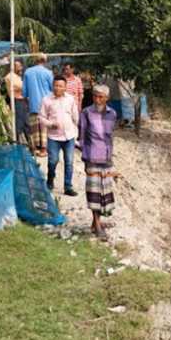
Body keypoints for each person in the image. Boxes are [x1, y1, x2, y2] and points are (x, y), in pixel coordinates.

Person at [79, 84, 119, 240]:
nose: (97, 99)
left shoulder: (112, 114)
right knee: (94, 192)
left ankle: (96, 222)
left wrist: (111, 157)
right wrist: (85, 159)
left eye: (101, 96)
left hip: (106, 158)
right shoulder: (86, 112)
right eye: (95, 96)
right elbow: (82, 137)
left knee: (104, 192)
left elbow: (110, 137)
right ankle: (97, 226)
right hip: (92, 157)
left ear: (107, 98)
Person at [39, 76, 79, 196]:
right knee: (52, 161)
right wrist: (50, 124)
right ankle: (50, 180)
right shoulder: (46, 100)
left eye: (60, 86)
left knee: (69, 162)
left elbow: (75, 116)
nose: (58, 88)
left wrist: (76, 132)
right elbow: (41, 117)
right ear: (53, 86)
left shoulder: (70, 99)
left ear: (65, 87)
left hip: (69, 137)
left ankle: (68, 187)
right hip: (54, 138)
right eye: (56, 85)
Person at [23, 53, 53, 157]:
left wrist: (28, 99)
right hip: (46, 104)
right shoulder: (48, 73)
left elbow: (24, 92)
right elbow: (53, 89)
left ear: (35, 60)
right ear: (45, 61)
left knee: (34, 127)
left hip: (33, 103)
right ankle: (44, 150)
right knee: (45, 127)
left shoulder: (28, 72)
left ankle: (35, 149)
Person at [4, 60, 31, 147]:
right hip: (17, 101)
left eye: (21, 66)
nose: (20, 68)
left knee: (26, 123)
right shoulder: (10, 77)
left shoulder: (18, 76)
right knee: (19, 124)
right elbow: (20, 88)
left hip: (23, 101)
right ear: (13, 67)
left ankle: (29, 144)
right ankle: (17, 145)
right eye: (18, 66)